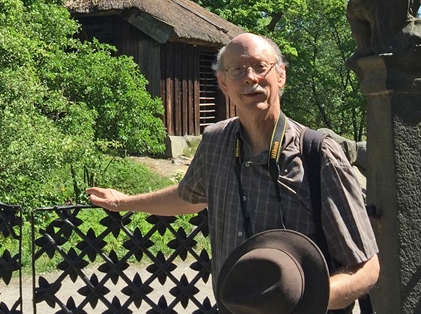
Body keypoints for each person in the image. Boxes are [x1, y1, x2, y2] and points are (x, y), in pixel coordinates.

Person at [87, 32, 380, 313]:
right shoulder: (215, 142)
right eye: (237, 70)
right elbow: (189, 197)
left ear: (281, 76)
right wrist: (123, 202)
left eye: (260, 67)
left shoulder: (318, 154)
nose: (250, 78)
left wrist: (297, 300)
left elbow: (366, 268)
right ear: (223, 83)